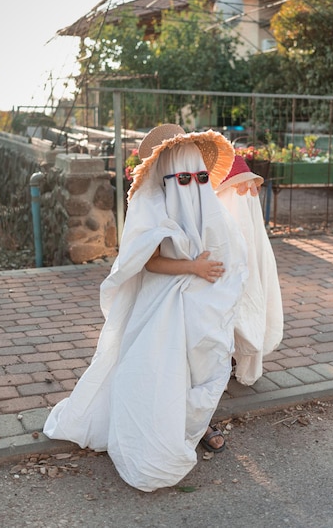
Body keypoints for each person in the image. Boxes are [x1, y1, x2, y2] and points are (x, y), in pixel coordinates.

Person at [44, 124, 248, 492]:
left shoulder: (203, 198)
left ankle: (195, 425)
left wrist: (219, 278)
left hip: (202, 300)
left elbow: (226, 247)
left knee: (205, 363)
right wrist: (193, 267)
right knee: (164, 367)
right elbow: (149, 261)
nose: (194, 183)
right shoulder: (150, 202)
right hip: (163, 301)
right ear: (168, 172)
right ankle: (161, 433)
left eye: (200, 175)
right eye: (184, 176)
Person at [216, 155, 284, 386]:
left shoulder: (229, 165)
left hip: (234, 242)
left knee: (239, 293)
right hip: (229, 243)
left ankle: (230, 359)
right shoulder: (226, 162)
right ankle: (230, 359)